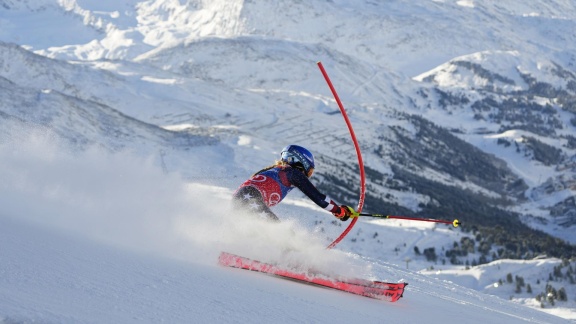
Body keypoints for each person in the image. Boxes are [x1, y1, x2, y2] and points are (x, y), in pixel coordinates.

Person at [232, 144, 355, 222]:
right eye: (310, 170)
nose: (308, 175)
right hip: (251, 198)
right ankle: (290, 260)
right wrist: (339, 210)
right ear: (302, 163)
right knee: (281, 232)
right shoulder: (293, 173)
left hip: (240, 198)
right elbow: (319, 198)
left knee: (261, 229)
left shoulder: (275, 170)